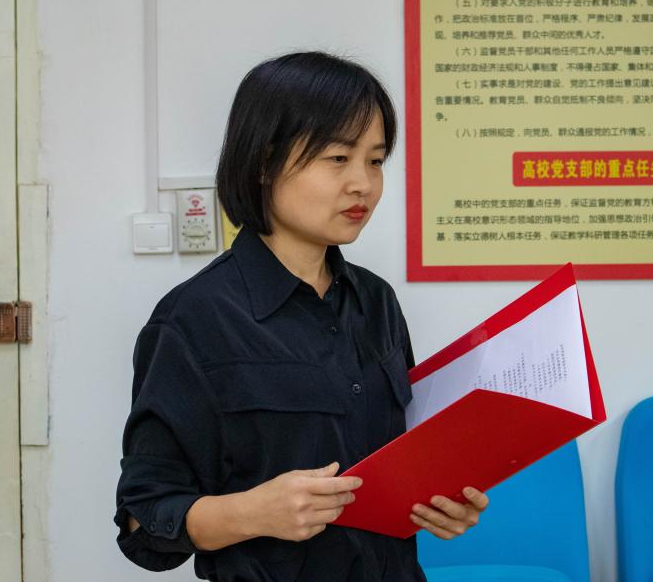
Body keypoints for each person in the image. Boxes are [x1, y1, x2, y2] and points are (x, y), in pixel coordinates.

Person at [113, 51, 490, 581]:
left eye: (375, 160)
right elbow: (143, 520)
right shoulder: (192, 320)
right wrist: (251, 513)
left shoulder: (376, 301)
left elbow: (396, 463)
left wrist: (438, 501)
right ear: (264, 163)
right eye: (338, 157)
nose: (363, 184)